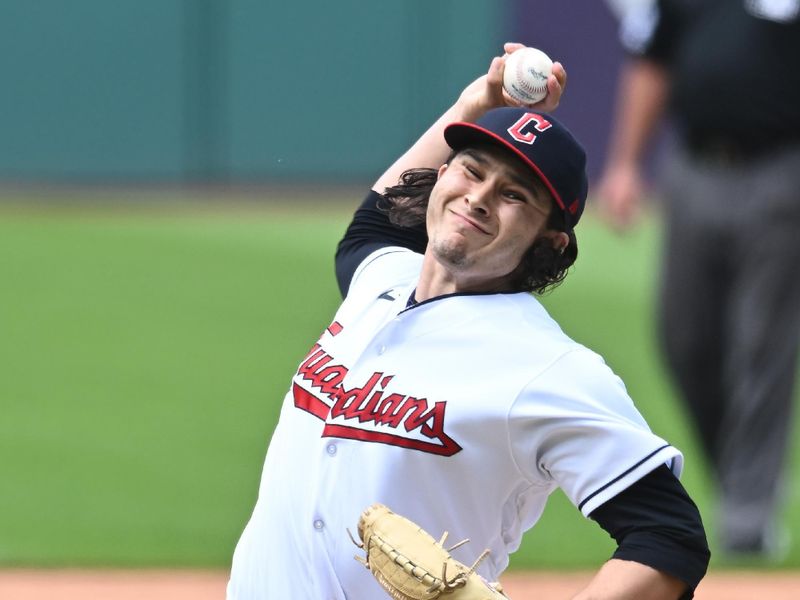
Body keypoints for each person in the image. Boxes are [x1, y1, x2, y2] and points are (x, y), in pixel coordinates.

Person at [227, 43, 709, 599]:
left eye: (513, 196)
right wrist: (476, 101)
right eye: (471, 171)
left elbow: (669, 536)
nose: (477, 199)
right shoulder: (380, 281)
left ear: (549, 241)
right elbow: (374, 226)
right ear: (443, 174)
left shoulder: (548, 369)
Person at [598, 0, 800, 558]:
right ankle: (743, 483)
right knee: (684, 339)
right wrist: (624, 162)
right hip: (693, 168)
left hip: (781, 171)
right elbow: (652, 62)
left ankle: (748, 522)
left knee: (762, 346)